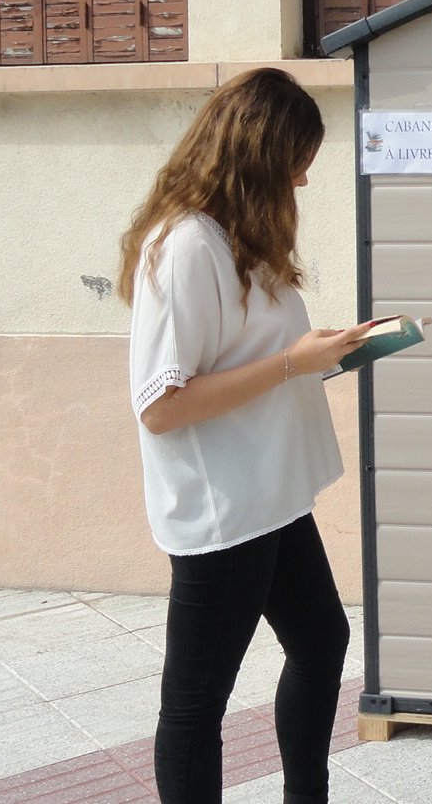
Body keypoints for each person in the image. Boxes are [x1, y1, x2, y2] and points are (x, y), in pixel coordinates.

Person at [119, 68, 374, 804]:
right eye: (297, 164)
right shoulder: (186, 246)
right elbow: (161, 405)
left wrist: (323, 356)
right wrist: (294, 361)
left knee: (322, 643)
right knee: (196, 705)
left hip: (270, 494)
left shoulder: (240, 239)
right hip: (224, 510)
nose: (302, 181)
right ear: (258, 155)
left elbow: (253, 362)